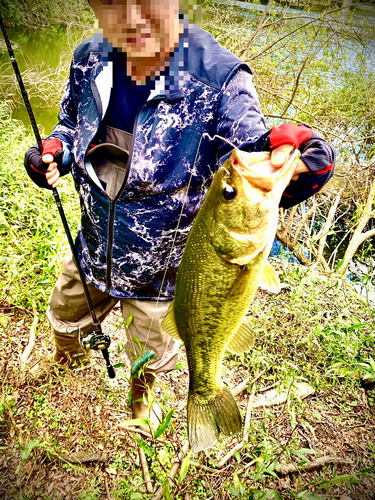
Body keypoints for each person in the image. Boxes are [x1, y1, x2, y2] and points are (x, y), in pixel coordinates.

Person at [24, 0, 335, 422]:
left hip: (162, 276)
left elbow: (260, 156)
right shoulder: (88, 58)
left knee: (147, 362)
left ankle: (140, 408)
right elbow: (67, 126)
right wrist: (54, 154)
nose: (132, 18)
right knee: (64, 318)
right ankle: (68, 371)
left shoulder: (221, 79)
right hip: (93, 250)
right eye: (112, 5)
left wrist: (302, 156)